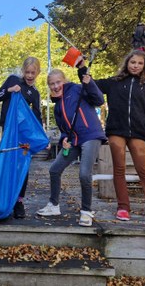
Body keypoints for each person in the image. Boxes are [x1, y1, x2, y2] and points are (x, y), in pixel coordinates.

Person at [92, 48, 145, 225]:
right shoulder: (114, 82)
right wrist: (83, 69)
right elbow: (91, 84)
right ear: (127, 63)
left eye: (139, 63)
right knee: (119, 169)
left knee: (144, 170)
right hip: (116, 130)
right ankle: (123, 207)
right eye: (132, 62)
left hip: (138, 131)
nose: (135, 66)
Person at [36, 69, 106, 226]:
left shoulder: (77, 89)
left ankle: (86, 211)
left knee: (84, 173)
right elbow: (64, 130)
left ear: (64, 80)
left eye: (58, 82)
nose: (55, 86)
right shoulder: (58, 106)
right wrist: (64, 140)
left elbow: (99, 99)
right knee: (54, 169)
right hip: (74, 140)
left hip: (91, 135)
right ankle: (54, 205)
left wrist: (90, 84)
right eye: (52, 84)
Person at [0, 56, 43, 218]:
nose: (30, 75)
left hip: (24, 134)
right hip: (9, 131)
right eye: (27, 72)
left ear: (38, 72)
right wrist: (9, 90)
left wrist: (41, 137)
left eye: (33, 72)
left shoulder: (35, 93)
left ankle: (19, 201)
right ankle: (3, 198)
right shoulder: (13, 80)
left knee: (23, 166)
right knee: (7, 163)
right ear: (22, 71)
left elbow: (37, 117)